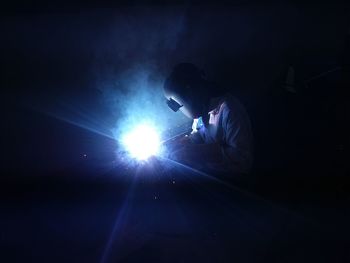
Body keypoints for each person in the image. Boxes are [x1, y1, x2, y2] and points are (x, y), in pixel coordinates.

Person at [163, 63, 253, 175]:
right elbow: (199, 134)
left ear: (191, 94)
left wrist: (197, 152)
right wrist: (184, 142)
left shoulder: (229, 109)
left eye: (179, 105)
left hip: (234, 182)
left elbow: (242, 159)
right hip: (212, 174)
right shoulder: (201, 112)